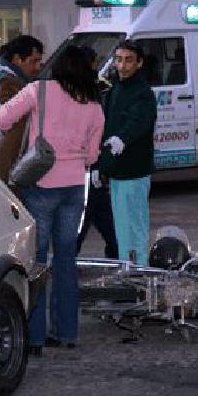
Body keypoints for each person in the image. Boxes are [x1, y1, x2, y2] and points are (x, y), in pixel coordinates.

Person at [0, 45, 105, 355]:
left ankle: (34, 338)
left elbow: (2, 120)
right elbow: (93, 155)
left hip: (41, 184)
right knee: (66, 260)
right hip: (74, 188)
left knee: (37, 261)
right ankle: (67, 333)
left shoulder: (38, 91)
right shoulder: (95, 105)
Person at [98, 42, 157, 265]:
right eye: (118, 59)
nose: (122, 65)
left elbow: (139, 121)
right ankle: (129, 268)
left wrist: (123, 138)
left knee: (134, 225)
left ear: (139, 63)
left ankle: (140, 271)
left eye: (128, 59)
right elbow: (107, 129)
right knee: (123, 227)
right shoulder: (115, 89)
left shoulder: (142, 93)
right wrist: (100, 165)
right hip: (117, 171)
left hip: (134, 171)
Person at [76, 45, 119, 259]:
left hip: (86, 164)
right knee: (92, 213)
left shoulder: (72, 88)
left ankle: (115, 252)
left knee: (95, 212)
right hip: (90, 163)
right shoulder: (98, 88)